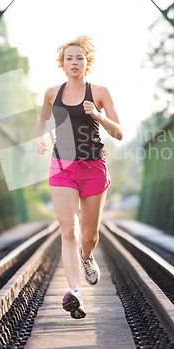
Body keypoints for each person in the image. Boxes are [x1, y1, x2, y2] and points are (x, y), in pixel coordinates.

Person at [37, 35, 122, 319]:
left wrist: (98, 116)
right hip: (62, 165)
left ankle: (86, 258)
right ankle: (75, 292)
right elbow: (43, 117)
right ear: (62, 64)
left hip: (93, 166)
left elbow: (119, 132)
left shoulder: (99, 91)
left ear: (87, 63)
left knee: (89, 234)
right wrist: (40, 138)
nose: (74, 62)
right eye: (69, 58)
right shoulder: (51, 92)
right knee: (68, 230)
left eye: (80, 58)